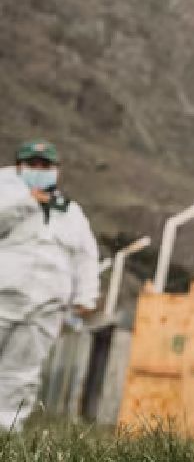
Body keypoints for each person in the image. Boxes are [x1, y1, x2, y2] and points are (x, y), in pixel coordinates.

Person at [0, 139, 100, 432]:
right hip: (3, 294)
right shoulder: (5, 194)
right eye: (33, 165)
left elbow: (85, 255)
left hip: (45, 305)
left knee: (22, 372)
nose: (39, 171)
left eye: (46, 166)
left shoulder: (71, 212)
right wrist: (27, 201)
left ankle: (6, 431)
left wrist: (85, 297)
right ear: (19, 166)